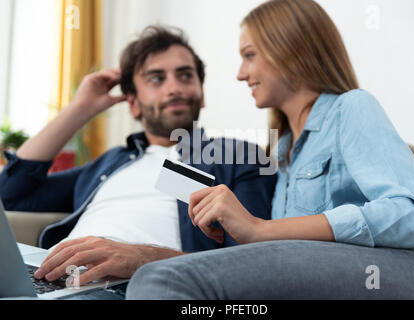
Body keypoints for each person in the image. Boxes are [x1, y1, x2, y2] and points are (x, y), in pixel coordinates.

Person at [125, 0, 414, 300]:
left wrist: (262, 229)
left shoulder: (350, 108)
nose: (241, 74)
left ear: (290, 49)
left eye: (249, 55)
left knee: (161, 280)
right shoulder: (280, 152)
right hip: (332, 273)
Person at [0, 26, 275, 299]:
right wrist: (79, 109)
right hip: (52, 279)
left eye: (185, 75)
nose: (174, 88)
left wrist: (143, 257)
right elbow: (10, 193)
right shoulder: (112, 162)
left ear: (201, 93)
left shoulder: (239, 157)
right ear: (132, 103)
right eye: (156, 79)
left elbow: (248, 264)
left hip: (134, 285)